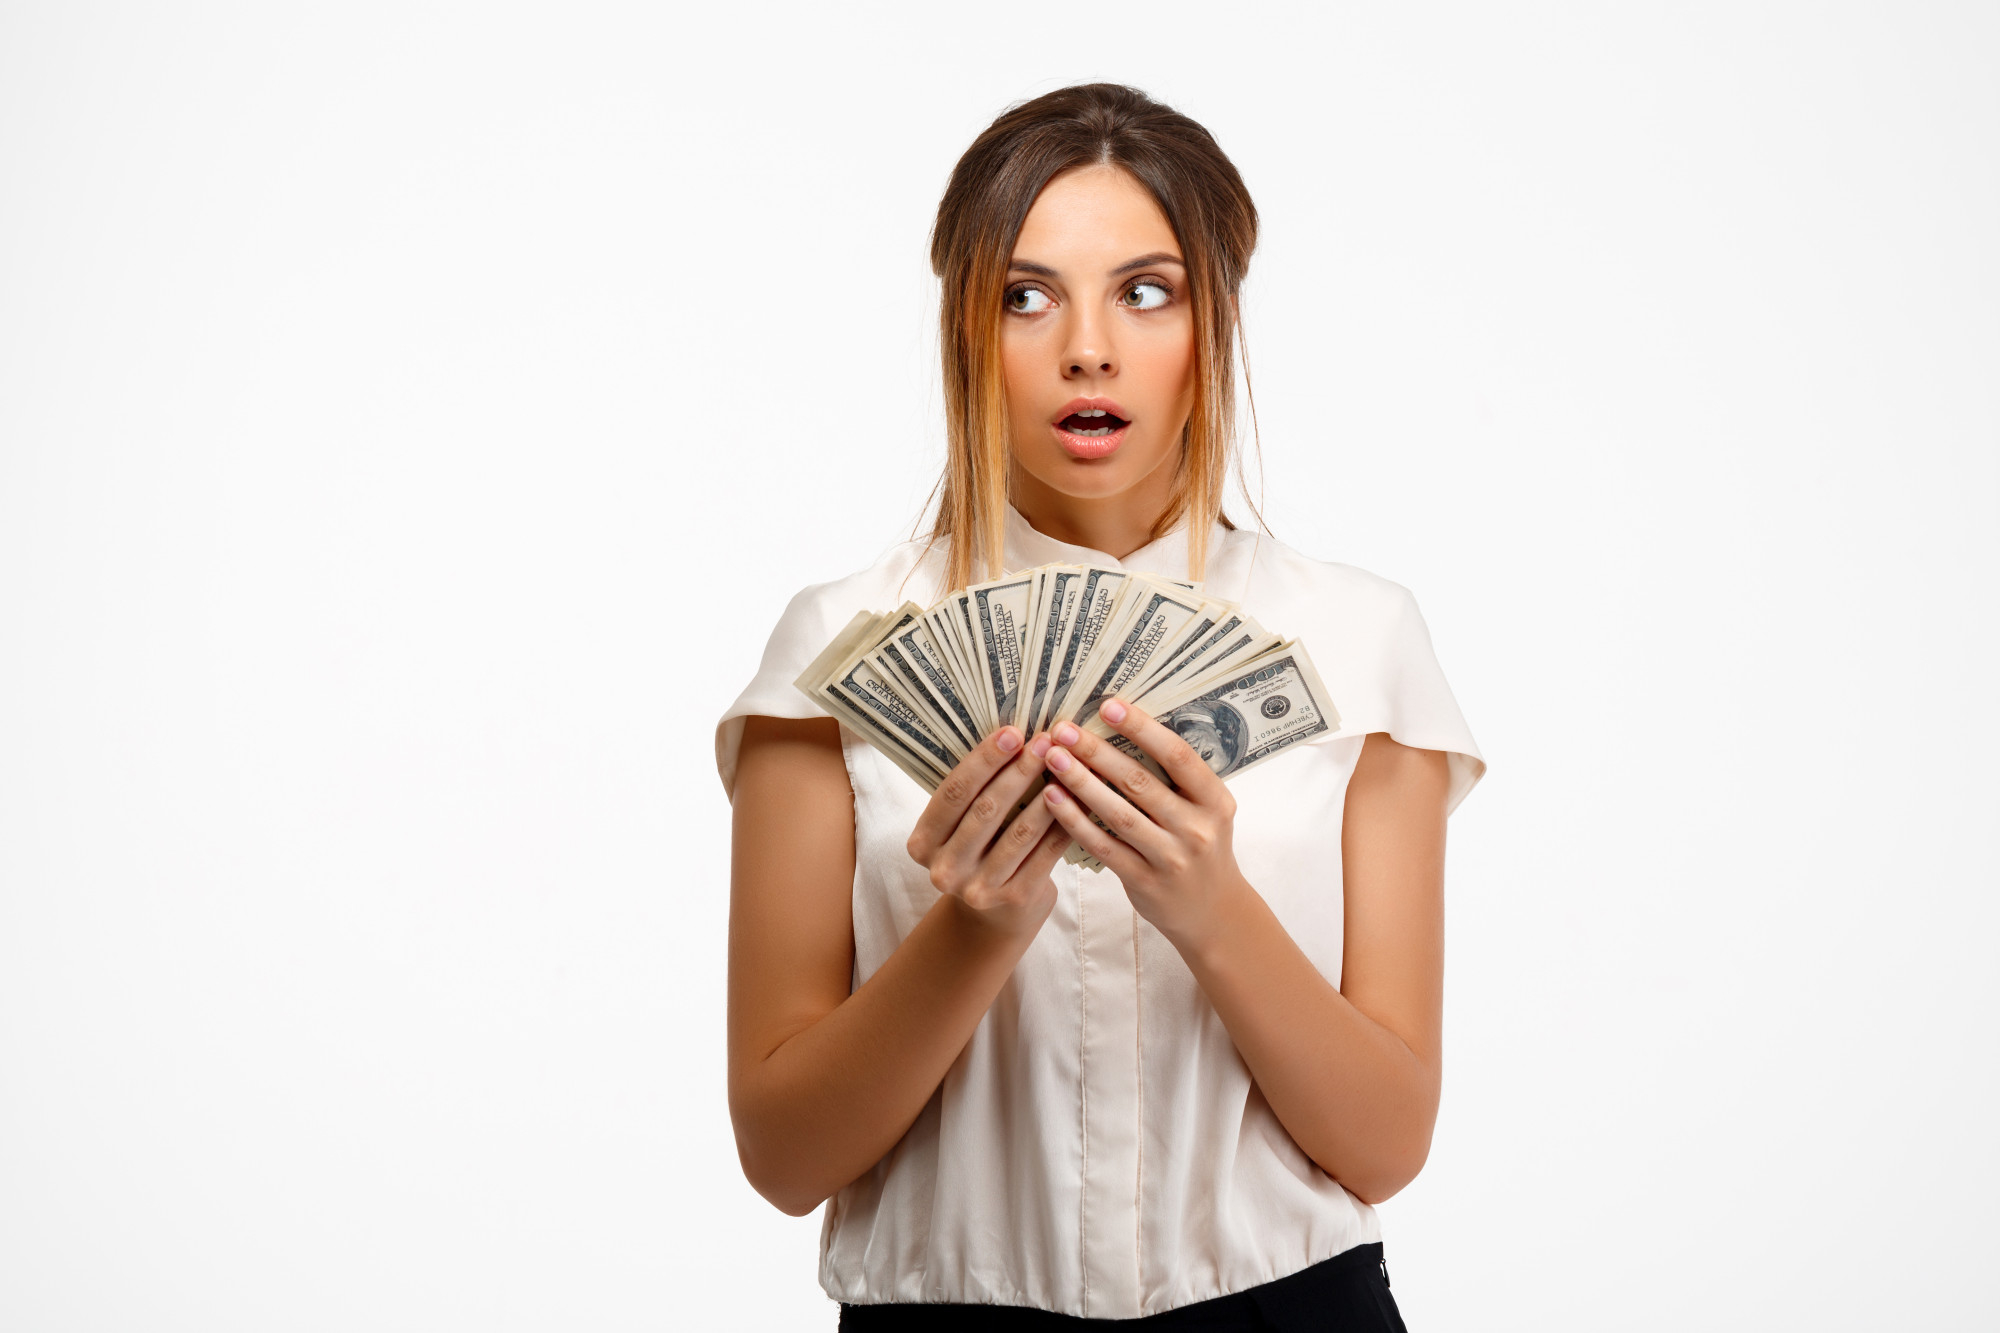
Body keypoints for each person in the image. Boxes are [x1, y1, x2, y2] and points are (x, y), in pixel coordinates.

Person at [715, 84, 1484, 1330]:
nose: (1087, 347)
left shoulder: (1360, 641)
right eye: (1024, 296)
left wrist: (1210, 906)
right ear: (966, 330)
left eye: (1145, 291)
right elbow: (784, 1158)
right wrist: (974, 926)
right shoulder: (836, 653)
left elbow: (1385, 1143)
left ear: (1213, 321)